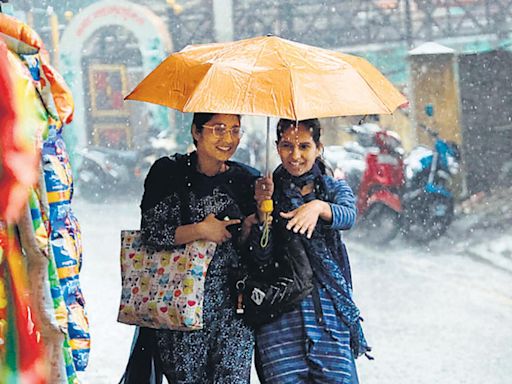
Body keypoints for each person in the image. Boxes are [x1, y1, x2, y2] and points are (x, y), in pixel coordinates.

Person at [121, 113, 259, 384]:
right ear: (196, 131)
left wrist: (256, 222)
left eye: (235, 130)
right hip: (179, 303)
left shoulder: (247, 179)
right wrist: (200, 230)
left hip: (233, 308)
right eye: (218, 129)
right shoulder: (167, 172)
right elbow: (152, 233)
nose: (228, 138)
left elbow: (249, 248)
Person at [249, 118, 370, 384]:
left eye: (304, 146)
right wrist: (262, 211)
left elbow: (349, 215)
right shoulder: (267, 191)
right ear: (276, 147)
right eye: (286, 145)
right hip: (279, 319)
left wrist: (318, 207)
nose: (295, 155)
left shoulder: (332, 188)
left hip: (328, 315)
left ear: (319, 148)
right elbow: (258, 257)